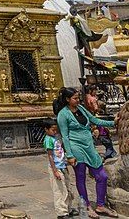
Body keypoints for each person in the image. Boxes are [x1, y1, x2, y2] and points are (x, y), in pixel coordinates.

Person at [55, 87, 117, 218]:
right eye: (75, 98)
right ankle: (86, 205)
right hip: (76, 147)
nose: (78, 100)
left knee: (102, 176)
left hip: (89, 146)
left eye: (78, 98)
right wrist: (70, 155)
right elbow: (65, 136)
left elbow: (94, 120)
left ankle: (100, 205)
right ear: (67, 99)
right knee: (81, 177)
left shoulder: (82, 109)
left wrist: (113, 123)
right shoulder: (63, 114)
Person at [42, 119, 76, 218]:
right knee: (60, 191)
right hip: (56, 167)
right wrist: (55, 170)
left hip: (63, 166)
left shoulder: (55, 138)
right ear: (46, 129)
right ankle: (61, 212)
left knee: (68, 188)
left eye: (56, 129)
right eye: (53, 130)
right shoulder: (48, 140)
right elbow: (50, 156)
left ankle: (68, 208)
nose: (55, 131)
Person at [85, 85, 116, 159]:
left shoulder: (86, 97)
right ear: (91, 90)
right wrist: (100, 109)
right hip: (97, 117)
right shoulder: (92, 99)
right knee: (103, 132)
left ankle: (111, 151)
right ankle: (109, 151)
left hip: (92, 118)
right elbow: (95, 108)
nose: (95, 92)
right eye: (95, 90)